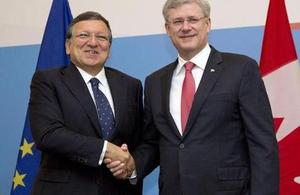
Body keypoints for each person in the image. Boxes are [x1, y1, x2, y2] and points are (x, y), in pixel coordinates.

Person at [107, 0, 279, 194]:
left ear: (208, 24)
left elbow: (262, 144)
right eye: (178, 21)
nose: (186, 27)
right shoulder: (155, 81)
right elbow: (154, 143)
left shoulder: (241, 69)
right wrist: (132, 164)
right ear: (167, 29)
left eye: (193, 19)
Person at [29, 11, 142, 195]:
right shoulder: (48, 81)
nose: (93, 42)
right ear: (68, 45)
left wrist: (131, 165)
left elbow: (140, 140)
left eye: (101, 37)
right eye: (84, 35)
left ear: (109, 47)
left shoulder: (131, 85)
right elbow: (48, 134)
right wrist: (106, 150)